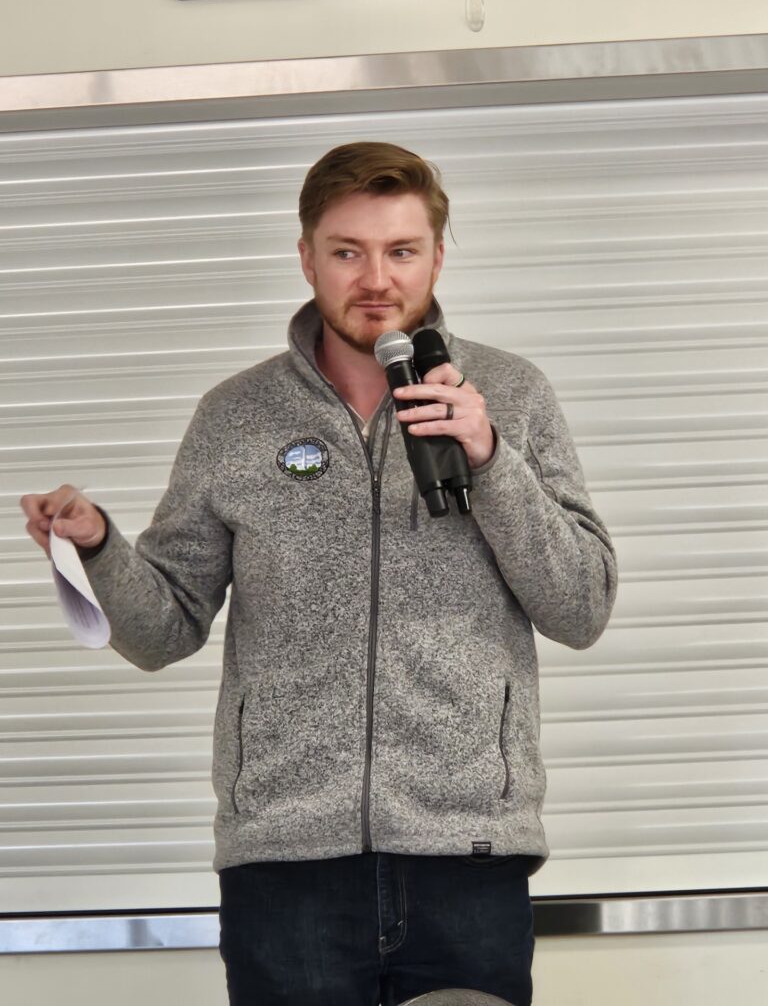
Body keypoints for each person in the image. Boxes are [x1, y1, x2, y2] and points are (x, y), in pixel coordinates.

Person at [20, 142, 618, 1006]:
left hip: (466, 859)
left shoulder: (512, 397)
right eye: (347, 252)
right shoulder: (235, 416)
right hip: (285, 868)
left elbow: (582, 607)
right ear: (306, 258)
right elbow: (163, 629)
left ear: (437, 257)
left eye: (401, 250)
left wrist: (492, 460)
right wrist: (100, 547)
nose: (375, 279)